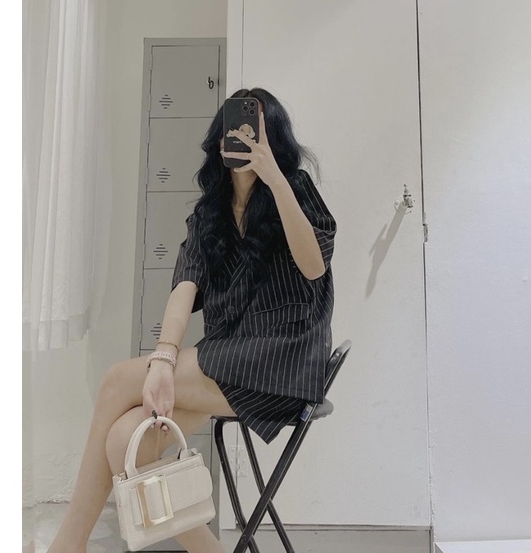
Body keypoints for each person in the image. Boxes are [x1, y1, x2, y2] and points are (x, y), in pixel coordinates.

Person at [48, 87, 336, 553]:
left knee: (117, 381)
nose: (242, 136)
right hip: (230, 363)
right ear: (219, 139)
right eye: (233, 127)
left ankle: (67, 547)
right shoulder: (210, 212)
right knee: (124, 439)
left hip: (284, 361)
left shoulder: (295, 188)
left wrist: (275, 178)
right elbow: (184, 288)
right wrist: (164, 358)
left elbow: (313, 266)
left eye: (254, 129)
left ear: (273, 138)